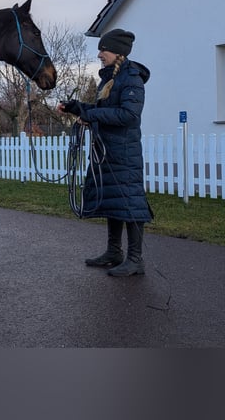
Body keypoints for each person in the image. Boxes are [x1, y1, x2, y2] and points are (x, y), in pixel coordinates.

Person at [58, 28, 152, 277]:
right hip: (107, 151)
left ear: (118, 52)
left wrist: (91, 115)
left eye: (104, 49)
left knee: (131, 203)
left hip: (124, 153)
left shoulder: (132, 78)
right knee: (114, 202)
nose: (100, 54)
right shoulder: (110, 78)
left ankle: (135, 259)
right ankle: (114, 252)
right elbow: (103, 110)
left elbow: (129, 115)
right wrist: (77, 108)